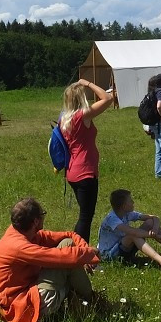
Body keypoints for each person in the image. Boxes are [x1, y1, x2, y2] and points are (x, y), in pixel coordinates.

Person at [0, 197, 101, 322]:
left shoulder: (23, 233)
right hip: (21, 308)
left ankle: (87, 301)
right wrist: (88, 254)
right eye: (42, 215)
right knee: (68, 258)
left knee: (68, 245)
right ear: (35, 221)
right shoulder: (19, 246)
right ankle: (94, 302)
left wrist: (84, 249)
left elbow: (69, 235)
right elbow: (59, 257)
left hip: (26, 294)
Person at [59, 78, 114, 243]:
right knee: (86, 217)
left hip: (72, 171)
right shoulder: (82, 116)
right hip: (85, 172)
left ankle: (75, 248)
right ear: (80, 98)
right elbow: (108, 98)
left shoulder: (64, 119)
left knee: (84, 215)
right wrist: (88, 83)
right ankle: (81, 254)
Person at [97, 189, 161, 274]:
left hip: (123, 248)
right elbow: (133, 232)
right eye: (131, 200)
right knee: (132, 235)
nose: (133, 202)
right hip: (109, 256)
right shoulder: (112, 219)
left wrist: (154, 229)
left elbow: (154, 218)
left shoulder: (128, 214)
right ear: (124, 206)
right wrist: (151, 235)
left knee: (149, 222)